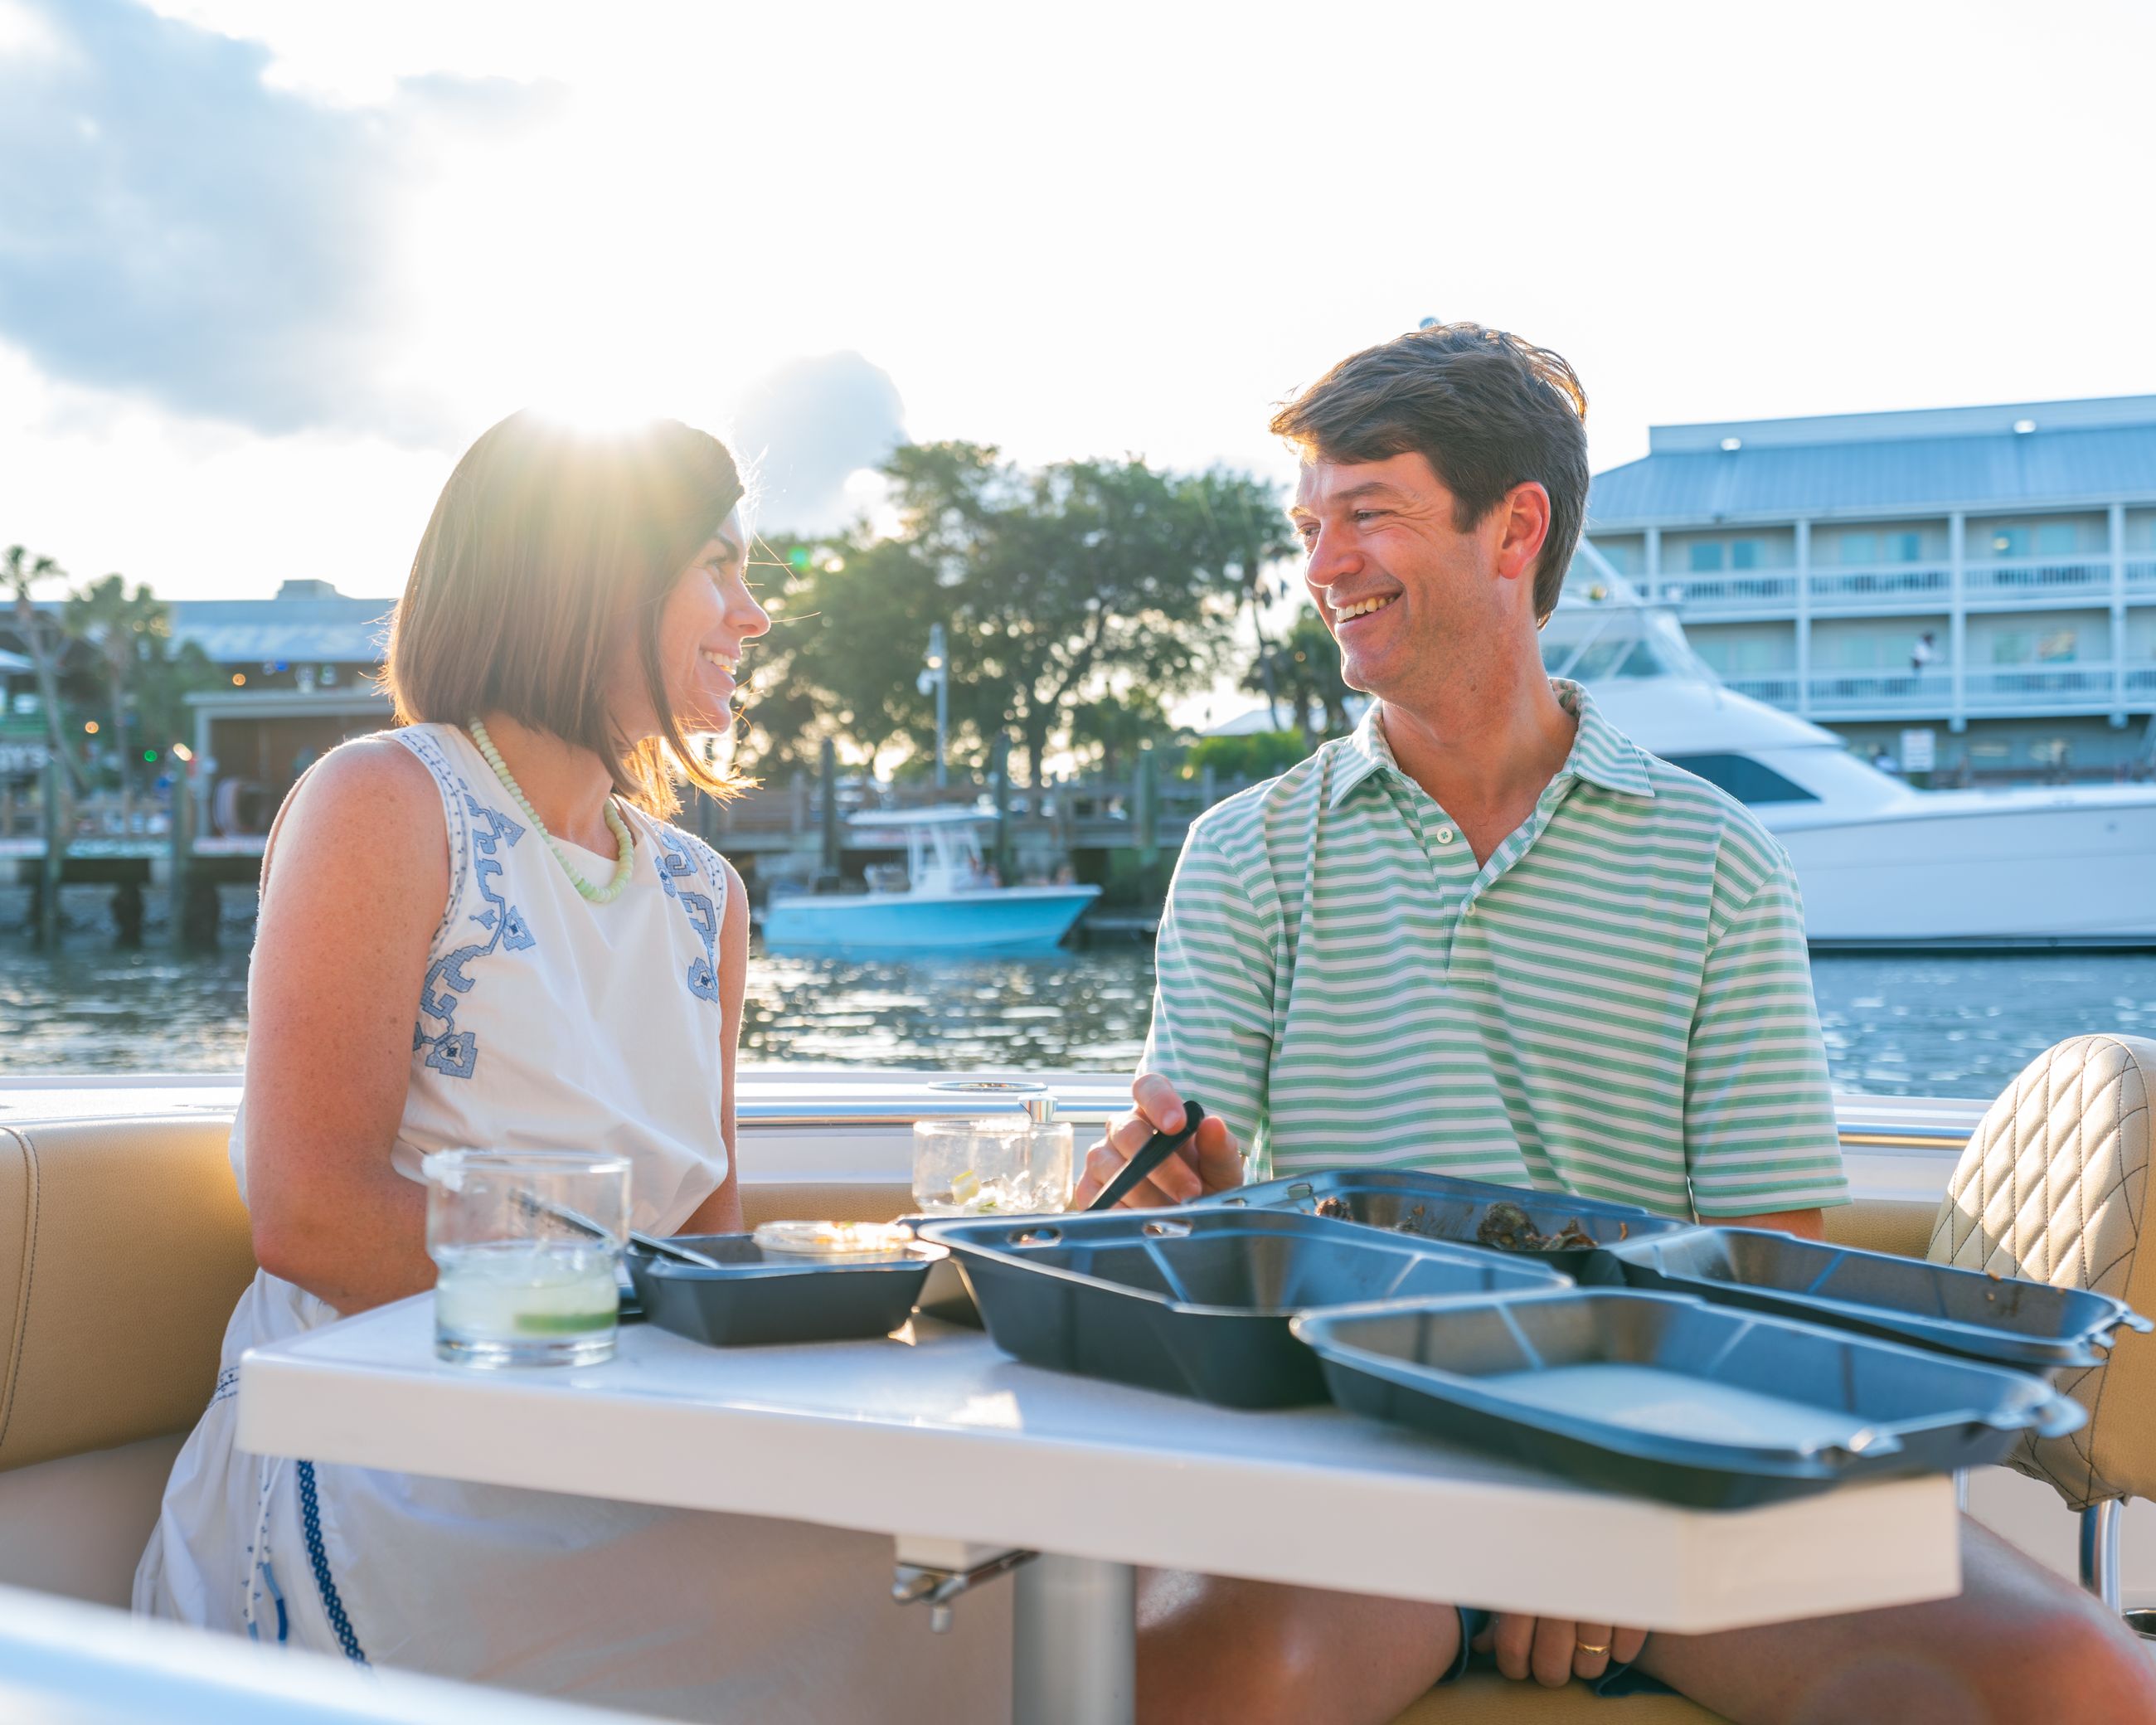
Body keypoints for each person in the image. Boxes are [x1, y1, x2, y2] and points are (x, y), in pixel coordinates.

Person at [1074, 324, 2156, 1725]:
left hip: (1661, 1459)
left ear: (1513, 528)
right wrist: (1181, 1197)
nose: (1321, 566)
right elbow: (1189, 1209)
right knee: (1170, 1690)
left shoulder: (1715, 856)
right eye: (1310, 525)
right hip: (1355, 1465)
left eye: (1367, 516)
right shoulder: (1244, 852)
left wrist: (1605, 1501)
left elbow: (1775, 1258)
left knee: (2086, 1683)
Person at [135, 413, 1007, 1724]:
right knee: (942, 1599)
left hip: (627, 1439)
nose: (753, 615)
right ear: (591, 578)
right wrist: (655, 1322)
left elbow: (698, 1239)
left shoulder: (700, 889)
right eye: (718, 566)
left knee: (990, 1571)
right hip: (400, 1453)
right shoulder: (384, 800)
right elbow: (309, 1216)